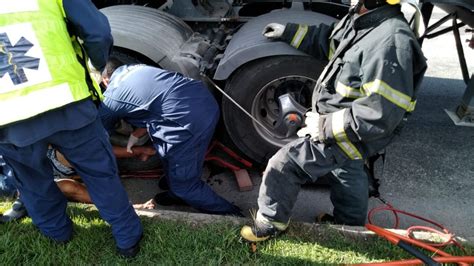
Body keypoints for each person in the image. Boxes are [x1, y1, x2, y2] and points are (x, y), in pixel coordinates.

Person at [241, 0, 427, 242]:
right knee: (347, 168)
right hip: (347, 120)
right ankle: (349, 227)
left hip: (354, 127)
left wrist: (325, 127)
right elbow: (331, 42)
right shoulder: (365, 20)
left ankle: (270, 224)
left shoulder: (391, 42)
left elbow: (381, 112)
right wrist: (288, 32)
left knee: (285, 164)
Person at [0, 0, 143, 257]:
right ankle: (128, 240)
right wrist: (99, 65)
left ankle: (58, 234)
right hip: (67, 104)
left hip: (9, 118)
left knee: (33, 181)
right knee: (100, 173)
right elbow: (97, 32)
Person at [99, 58, 242, 216]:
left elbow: (97, 145)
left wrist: (138, 150)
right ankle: (176, 191)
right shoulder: (133, 68)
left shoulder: (112, 98)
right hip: (203, 101)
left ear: (105, 79)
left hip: (189, 123)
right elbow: (152, 103)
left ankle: (233, 216)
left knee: (185, 186)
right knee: (168, 154)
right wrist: (136, 134)